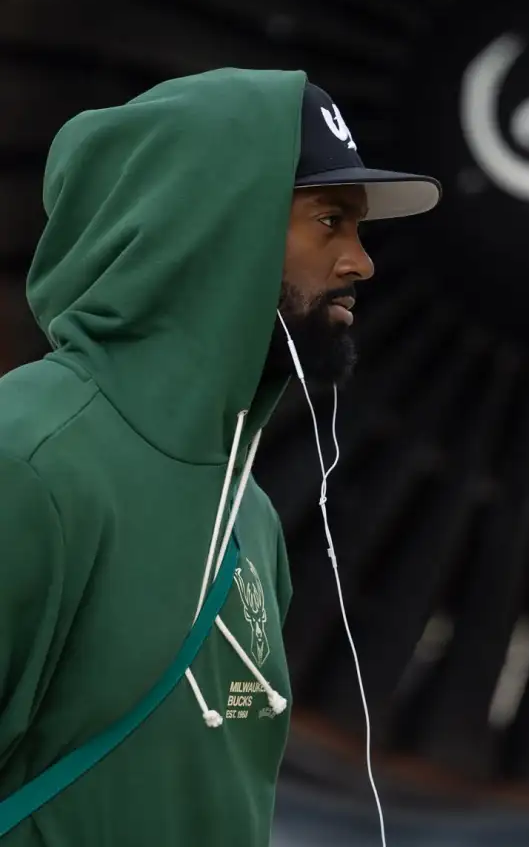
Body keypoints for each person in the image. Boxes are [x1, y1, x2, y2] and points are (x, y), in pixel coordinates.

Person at [0, 69, 441, 845]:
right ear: (210, 226)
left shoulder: (251, 515)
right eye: (330, 220)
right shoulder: (29, 461)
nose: (362, 262)